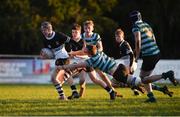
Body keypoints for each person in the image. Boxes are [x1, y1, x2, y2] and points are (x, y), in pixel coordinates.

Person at [56, 45, 177, 102]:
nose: (84, 50)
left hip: (119, 74)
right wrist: (77, 53)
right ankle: (161, 89)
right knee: (129, 84)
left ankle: (165, 75)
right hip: (120, 67)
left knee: (142, 81)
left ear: (88, 53)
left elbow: (75, 65)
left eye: (85, 50)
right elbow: (88, 52)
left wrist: (62, 66)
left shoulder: (91, 60)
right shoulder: (98, 52)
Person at [129, 10, 178, 102]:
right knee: (146, 78)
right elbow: (153, 38)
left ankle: (166, 75)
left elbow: (138, 41)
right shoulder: (146, 24)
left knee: (143, 79)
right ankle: (151, 97)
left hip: (149, 55)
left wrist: (137, 56)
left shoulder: (135, 26)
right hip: (156, 52)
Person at [114, 28, 173, 97]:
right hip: (128, 64)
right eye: (116, 37)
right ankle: (139, 90)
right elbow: (127, 55)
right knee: (132, 81)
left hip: (130, 64)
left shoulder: (124, 44)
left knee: (135, 81)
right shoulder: (121, 45)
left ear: (122, 37)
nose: (117, 38)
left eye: (119, 37)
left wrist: (131, 66)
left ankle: (143, 90)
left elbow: (131, 55)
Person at [40, 21, 79, 100]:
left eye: (44, 30)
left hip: (63, 58)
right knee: (64, 76)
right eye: (42, 30)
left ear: (49, 29)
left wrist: (80, 47)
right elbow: (50, 53)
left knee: (54, 78)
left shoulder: (58, 35)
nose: (43, 32)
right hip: (59, 59)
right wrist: (45, 56)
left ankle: (63, 96)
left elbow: (70, 41)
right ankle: (74, 92)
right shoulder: (45, 40)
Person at [80, 20, 117, 99]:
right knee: (95, 78)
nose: (87, 30)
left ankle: (112, 89)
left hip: (98, 57)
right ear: (83, 28)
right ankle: (112, 90)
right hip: (90, 58)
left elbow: (100, 47)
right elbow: (84, 47)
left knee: (102, 75)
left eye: (89, 28)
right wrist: (83, 53)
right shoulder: (83, 36)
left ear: (92, 28)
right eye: (85, 28)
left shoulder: (96, 36)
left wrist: (95, 54)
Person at [65, 23, 87, 98]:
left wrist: (74, 54)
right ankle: (74, 91)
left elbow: (86, 54)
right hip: (75, 64)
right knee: (66, 74)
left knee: (82, 81)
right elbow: (68, 55)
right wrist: (67, 64)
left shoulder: (83, 41)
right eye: (73, 32)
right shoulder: (69, 42)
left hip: (84, 64)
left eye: (76, 32)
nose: (74, 34)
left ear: (80, 32)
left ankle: (82, 88)